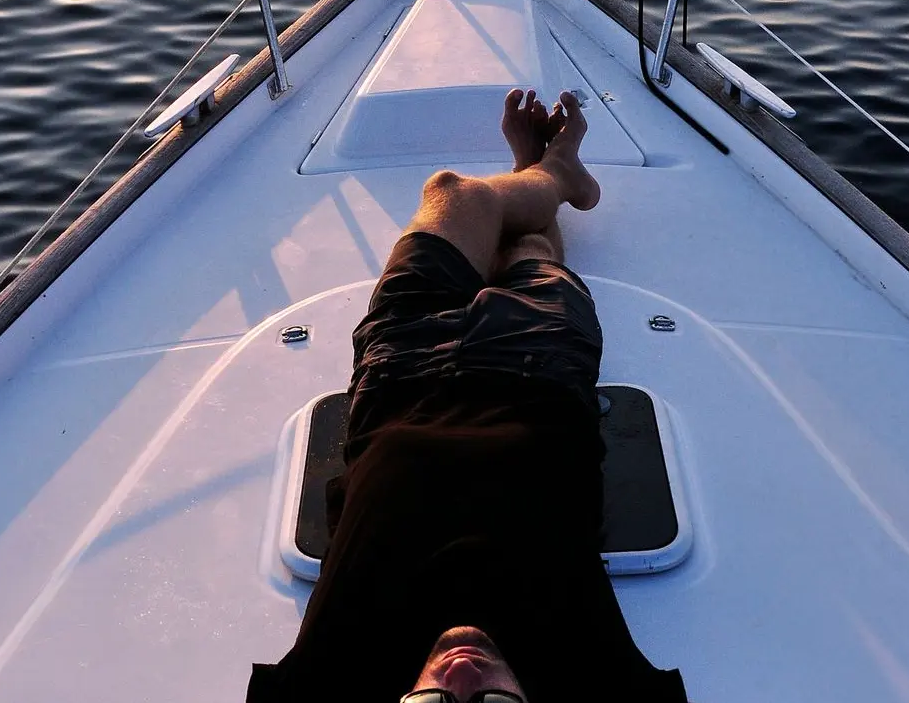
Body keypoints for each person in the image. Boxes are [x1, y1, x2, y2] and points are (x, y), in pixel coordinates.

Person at [247, 89, 688, 703]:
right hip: (537, 373)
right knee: (528, 251)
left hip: (400, 371)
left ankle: (551, 174)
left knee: (452, 193)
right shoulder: (585, 677)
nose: (461, 676)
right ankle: (544, 175)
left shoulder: (331, 681)